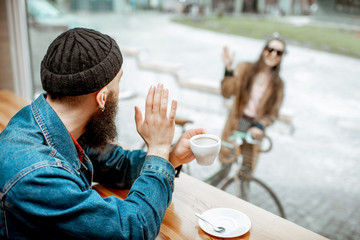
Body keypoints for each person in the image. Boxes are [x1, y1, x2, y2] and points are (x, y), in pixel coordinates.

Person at [0, 28, 205, 239]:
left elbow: (118, 165)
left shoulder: (55, 122)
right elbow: (133, 229)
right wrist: (158, 147)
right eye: (119, 81)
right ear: (102, 98)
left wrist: (169, 156)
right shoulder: (37, 174)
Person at [218, 35, 286, 178]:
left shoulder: (278, 84)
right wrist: (229, 68)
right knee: (224, 169)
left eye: (278, 52)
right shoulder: (245, 68)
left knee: (246, 174)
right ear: (263, 50)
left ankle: (242, 199)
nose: (273, 54)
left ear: (281, 57)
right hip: (236, 123)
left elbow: (273, 114)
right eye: (270, 49)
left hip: (254, 130)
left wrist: (260, 126)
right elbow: (226, 92)